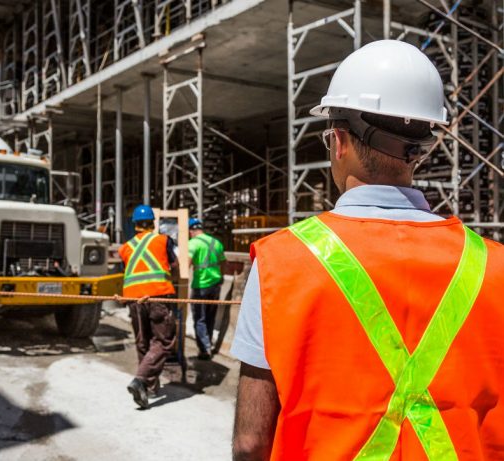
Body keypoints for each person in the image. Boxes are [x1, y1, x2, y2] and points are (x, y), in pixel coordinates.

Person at [231, 40, 504, 460]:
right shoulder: (494, 266)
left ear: (338, 141)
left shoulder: (278, 263)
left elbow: (251, 443)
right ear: (422, 148)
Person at [119, 204, 177, 409]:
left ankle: (149, 387)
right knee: (164, 341)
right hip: (158, 295)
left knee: (143, 341)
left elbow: (128, 271)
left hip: (134, 299)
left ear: (135, 224)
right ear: (153, 223)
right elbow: (175, 264)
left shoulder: (125, 247)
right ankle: (140, 379)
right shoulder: (163, 240)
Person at [188, 218, 226, 359]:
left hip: (200, 286)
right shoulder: (216, 243)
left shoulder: (192, 244)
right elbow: (224, 262)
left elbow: (186, 264)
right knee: (210, 317)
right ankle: (208, 343)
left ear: (191, 231)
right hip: (215, 285)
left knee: (199, 318)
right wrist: (220, 277)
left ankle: (204, 350)